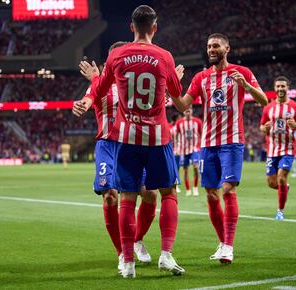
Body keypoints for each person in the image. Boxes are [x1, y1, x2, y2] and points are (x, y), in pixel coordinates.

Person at [78, 5, 185, 278]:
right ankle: (166, 254)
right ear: (155, 27)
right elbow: (179, 98)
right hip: (157, 137)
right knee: (168, 193)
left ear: (131, 27)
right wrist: (177, 83)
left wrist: (92, 87)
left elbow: (99, 89)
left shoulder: (117, 56)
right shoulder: (164, 56)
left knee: (128, 197)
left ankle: (127, 262)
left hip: (126, 137)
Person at [169, 33, 268, 264]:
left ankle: (229, 246)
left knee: (228, 190)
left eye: (216, 46)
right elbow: (183, 104)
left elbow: (264, 101)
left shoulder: (241, 73)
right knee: (212, 193)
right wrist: (171, 85)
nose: (211, 49)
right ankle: (223, 242)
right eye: (208, 46)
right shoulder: (201, 78)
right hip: (207, 144)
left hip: (232, 141)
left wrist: (247, 87)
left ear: (227, 48)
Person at [73, 41, 157, 274]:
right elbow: (88, 99)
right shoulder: (100, 83)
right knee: (110, 197)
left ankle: (137, 240)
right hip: (107, 145)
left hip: (132, 143)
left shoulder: (133, 82)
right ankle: (122, 253)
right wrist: (81, 105)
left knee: (149, 194)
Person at [260, 76, 296, 220]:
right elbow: (262, 126)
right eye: (278, 86)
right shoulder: (268, 107)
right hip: (272, 150)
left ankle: (280, 211)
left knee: (281, 178)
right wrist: (265, 128)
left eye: (283, 86)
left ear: (288, 88)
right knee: (271, 183)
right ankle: (284, 189)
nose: (280, 89)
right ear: (275, 89)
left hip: (288, 149)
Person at [175, 106, 202, 196]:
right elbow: (176, 135)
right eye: (186, 111)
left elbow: (201, 134)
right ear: (183, 112)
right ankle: (188, 189)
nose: (187, 112)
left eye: (189, 110)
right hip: (184, 150)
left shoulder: (197, 122)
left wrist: (201, 146)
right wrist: (177, 147)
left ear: (191, 111)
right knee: (185, 170)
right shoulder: (179, 122)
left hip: (194, 148)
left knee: (195, 167)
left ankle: (195, 188)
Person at [169, 113, 181, 193]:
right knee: (174, 168)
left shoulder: (178, 128)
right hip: (173, 151)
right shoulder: (171, 129)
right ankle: (173, 185)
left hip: (178, 151)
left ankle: (175, 184)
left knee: (177, 168)